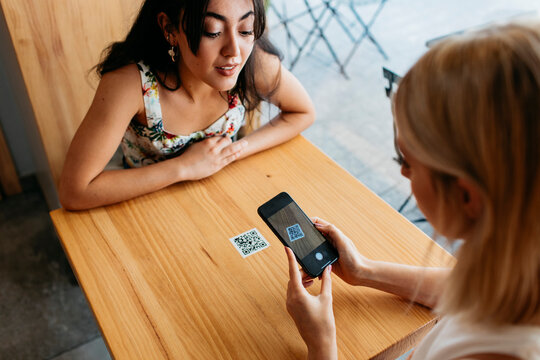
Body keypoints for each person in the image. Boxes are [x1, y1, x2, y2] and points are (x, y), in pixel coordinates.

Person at [284, 22, 540, 360]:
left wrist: (322, 344)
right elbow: (469, 287)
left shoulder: (495, 351)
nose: (402, 172)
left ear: (466, 196)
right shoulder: (519, 257)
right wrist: (363, 271)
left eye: (409, 160)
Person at [59, 0, 315, 210]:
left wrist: (231, 153)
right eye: (212, 31)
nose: (234, 52)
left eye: (246, 29)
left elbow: (302, 112)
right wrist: (184, 167)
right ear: (169, 28)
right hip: (141, 202)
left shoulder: (252, 62)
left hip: (219, 196)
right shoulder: (130, 84)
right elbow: (75, 192)